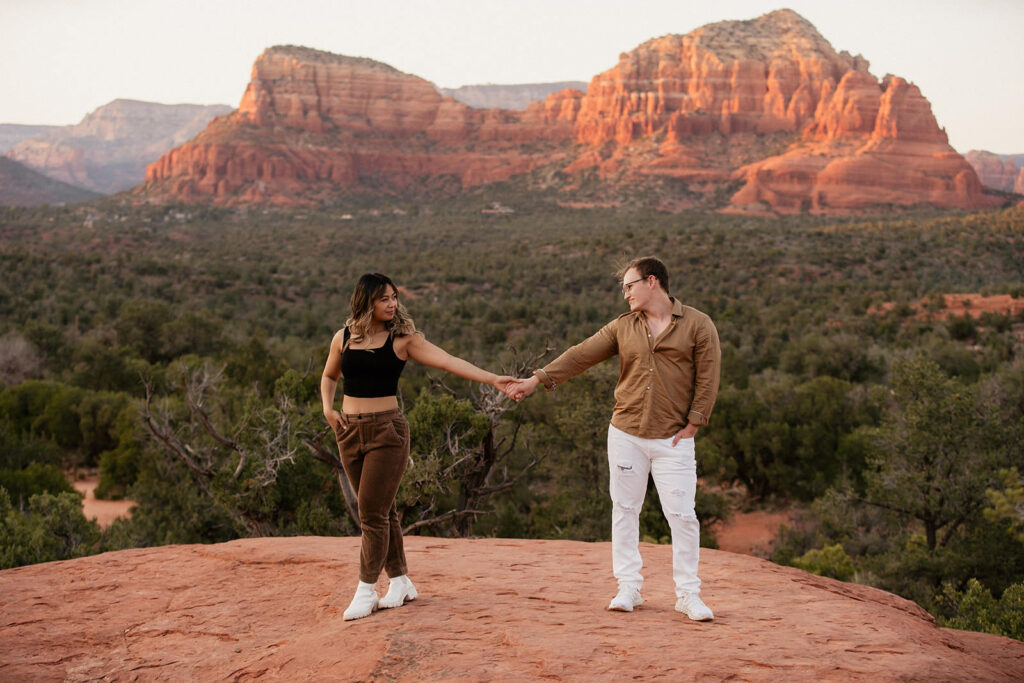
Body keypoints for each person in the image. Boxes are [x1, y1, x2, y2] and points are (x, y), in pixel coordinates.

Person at [508, 256, 721, 621]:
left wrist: (694, 424)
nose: (625, 294)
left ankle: (688, 595)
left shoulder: (698, 324)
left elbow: (709, 376)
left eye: (629, 285)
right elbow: (580, 355)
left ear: (652, 281)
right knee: (624, 509)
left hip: (674, 440)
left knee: (683, 516)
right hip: (626, 434)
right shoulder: (623, 327)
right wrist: (536, 380)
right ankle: (629, 587)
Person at [321, 272, 515, 621]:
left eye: (394, 297)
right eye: (384, 298)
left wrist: (493, 379)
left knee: (371, 514)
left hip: (387, 433)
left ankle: (366, 590)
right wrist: (327, 409)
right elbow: (329, 376)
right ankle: (400, 581)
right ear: (366, 301)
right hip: (348, 432)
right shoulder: (344, 337)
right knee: (383, 511)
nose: (393, 304)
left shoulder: (402, 340)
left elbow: (448, 360)